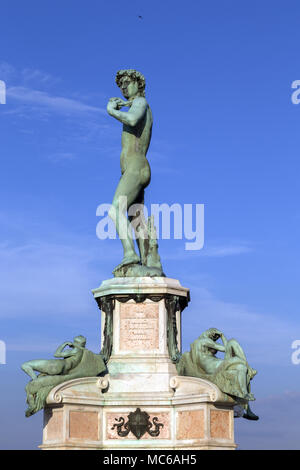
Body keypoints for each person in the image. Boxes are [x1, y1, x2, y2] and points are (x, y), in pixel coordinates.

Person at [107, 69, 152, 272]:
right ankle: (149, 260)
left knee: (115, 209)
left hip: (136, 166)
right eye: (121, 84)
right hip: (134, 169)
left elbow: (133, 120)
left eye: (127, 82)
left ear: (138, 84)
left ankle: (130, 254)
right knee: (137, 219)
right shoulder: (134, 104)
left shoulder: (140, 102)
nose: (124, 86)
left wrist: (112, 111)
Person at [21, 335, 86, 380]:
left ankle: (35, 381)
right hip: (61, 368)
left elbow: (56, 354)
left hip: (56, 365)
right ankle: (36, 380)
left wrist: (65, 344)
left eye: (74, 341)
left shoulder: (75, 350)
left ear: (76, 343)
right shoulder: (81, 352)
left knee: (25, 365)